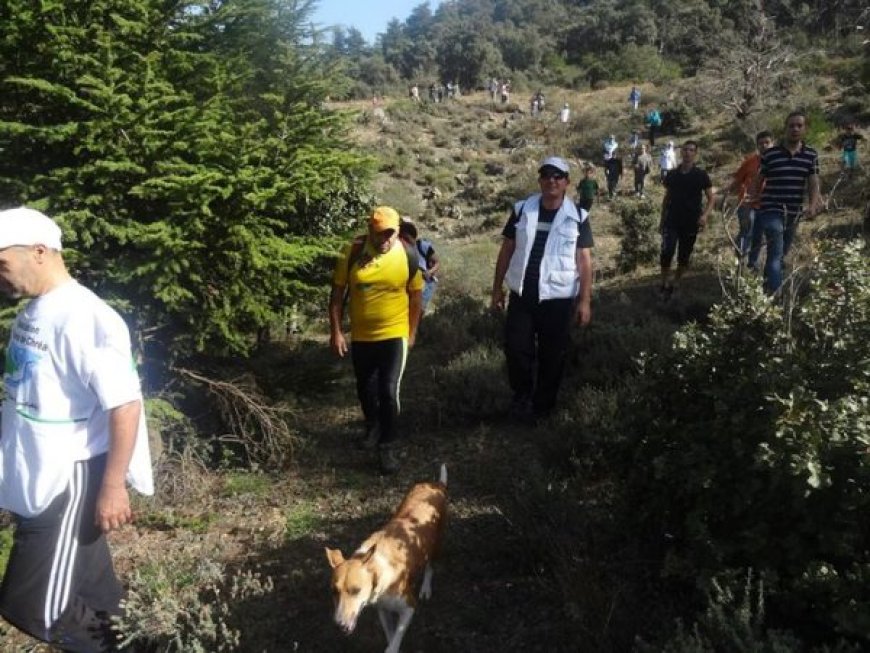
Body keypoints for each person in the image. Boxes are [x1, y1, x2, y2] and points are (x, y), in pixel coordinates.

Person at [0, 207, 154, 652]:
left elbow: (125, 404)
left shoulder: (86, 317)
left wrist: (112, 487)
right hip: (37, 471)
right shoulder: (37, 310)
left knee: (35, 608)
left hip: (69, 479)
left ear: (40, 252)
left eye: (2, 263)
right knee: (99, 600)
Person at [491, 156, 593, 423]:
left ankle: (543, 408)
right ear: (539, 180)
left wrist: (585, 302)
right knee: (516, 349)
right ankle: (521, 397)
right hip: (523, 295)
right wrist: (496, 290)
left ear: (567, 183)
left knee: (553, 355)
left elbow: (584, 261)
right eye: (546, 175)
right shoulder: (522, 210)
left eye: (558, 176)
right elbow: (507, 250)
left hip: (558, 299)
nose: (551, 181)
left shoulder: (578, 217)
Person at [329, 206, 424, 474]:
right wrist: (336, 331)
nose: (385, 239)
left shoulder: (407, 253)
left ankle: (388, 447)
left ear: (397, 231)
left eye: (390, 233)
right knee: (365, 389)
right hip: (361, 337)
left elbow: (416, 296)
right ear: (370, 229)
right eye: (379, 233)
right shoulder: (354, 251)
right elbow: (336, 295)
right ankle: (373, 425)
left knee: (388, 390)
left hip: (394, 335)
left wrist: (412, 332)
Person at [748, 111, 822, 293]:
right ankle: (776, 298)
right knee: (775, 251)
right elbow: (759, 178)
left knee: (781, 254)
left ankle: (766, 288)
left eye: (799, 125)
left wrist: (812, 206)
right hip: (771, 209)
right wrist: (753, 198)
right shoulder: (771, 154)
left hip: (794, 211)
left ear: (805, 129)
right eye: (791, 125)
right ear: (785, 129)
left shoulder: (811, 155)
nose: (795, 129)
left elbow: (813, 182)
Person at [659, 141, 714, 299]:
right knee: (666, 252)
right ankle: (664, 282)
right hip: (672, 220)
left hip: (691, 221)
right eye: (685, 149)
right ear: (681, 152)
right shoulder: (672, 174)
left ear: (695, 154)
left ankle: (676, 282)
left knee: (684, 255)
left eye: (691, 150)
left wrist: (704, 216)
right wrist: (662, 220)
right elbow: (666, 198)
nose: (688, 152)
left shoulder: (701, 175)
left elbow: (711, 198)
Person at [725, 130, 774, 261]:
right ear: (757, 146)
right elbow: (737, 180)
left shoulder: (777, 162)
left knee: (758, 236)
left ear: (772, 144)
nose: (764, 145)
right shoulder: (750, 162)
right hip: (746, 203)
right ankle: (739, 261)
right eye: (761, 143)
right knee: (747, 231)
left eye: (767, 142)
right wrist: (724, 193)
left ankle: (752, 264)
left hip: (765, 205)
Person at [399, 217, 441, 313]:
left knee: (418, 310)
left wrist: (429, 272)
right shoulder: (401, 248)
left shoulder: (423, 246)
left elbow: (437, 263)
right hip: (410, 285)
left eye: (406, 238)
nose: (403, 240)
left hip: (426, 284)